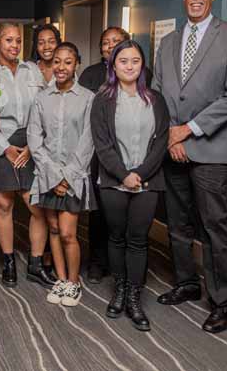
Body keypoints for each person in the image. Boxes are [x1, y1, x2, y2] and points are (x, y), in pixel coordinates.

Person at [152, 0, 227, 333]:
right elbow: (158, 94)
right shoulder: (169, 42)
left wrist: (188, 131)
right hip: (173, 147)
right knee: (177, 223)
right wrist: (172, 138)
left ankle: (222, 300)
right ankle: (187, 282)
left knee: (214, 228)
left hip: (211, 148)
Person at [91, 40, 170, 331]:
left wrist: (140, 173)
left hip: (148, 182)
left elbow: (161, 142)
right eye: (123, 61)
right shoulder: (102, 99)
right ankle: (120, 290)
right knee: (116, 238)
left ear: (142, 65)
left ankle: (134, 297)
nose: (129, 66)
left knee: (137, 240)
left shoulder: (155, 99)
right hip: (113, 180)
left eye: (135, 61)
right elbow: (102, 143)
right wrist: (124, 174)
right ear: (113, 65)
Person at [0, 23, 56, 289]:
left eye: (18, 41)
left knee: (36, 205)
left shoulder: (32, 70)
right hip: (0, 143)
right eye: (8, 40)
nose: (14, 45)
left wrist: (32, 146)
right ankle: (9, 260)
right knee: (3, 203)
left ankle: (36, 263)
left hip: (30, 143)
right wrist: (4, 147)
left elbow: (44, 108)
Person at [27, 42, 95, 307]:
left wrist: (67, 177)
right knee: (53, 228)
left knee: (68, 233)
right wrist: (54, 176)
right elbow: (35, 139)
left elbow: (88, 142)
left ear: (76, 63)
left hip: (74, 177)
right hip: (46, 174)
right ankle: (62, 279)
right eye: (57, 61)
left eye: (68, 61)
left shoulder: (88, 98)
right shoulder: (41, 98)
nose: (61, 67)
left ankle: (74, 282)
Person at [79, 26, 133, 284]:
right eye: (106, 42)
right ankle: (98, 261)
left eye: (116, 41)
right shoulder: (90, 74)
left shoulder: (139, 73)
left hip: (130, 155)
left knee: (126, 213)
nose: (110, 46)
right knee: (98, 211)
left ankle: (122, 263)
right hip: (96, 154)